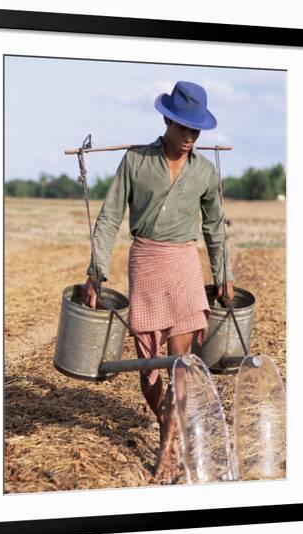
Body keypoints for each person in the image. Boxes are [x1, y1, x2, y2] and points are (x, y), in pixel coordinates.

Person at [82, 81, 235, 481]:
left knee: (179, 365)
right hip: (146, 262)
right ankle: (166, 416)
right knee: (149, 370)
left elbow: (215, 226)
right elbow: (110, 217)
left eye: (196, 130)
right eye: (183, 127)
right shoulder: (135, 162)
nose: (189, 137)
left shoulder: (203, 171)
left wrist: (223, 275)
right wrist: (95, 272)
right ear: (167, 119)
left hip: (184, 263)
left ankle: (167, 451)